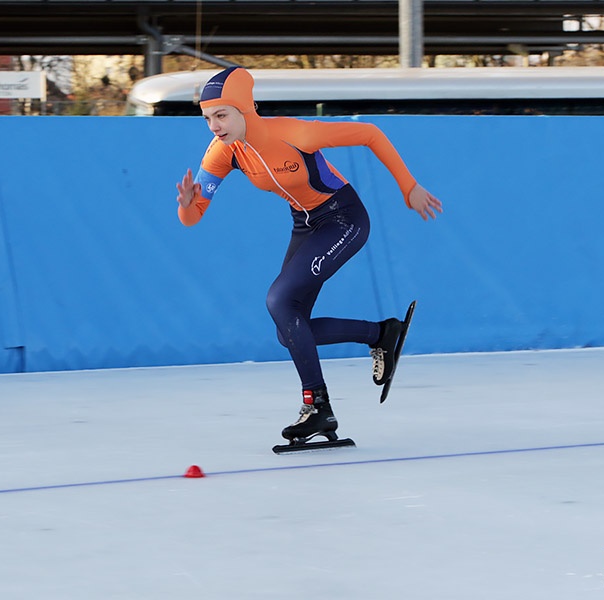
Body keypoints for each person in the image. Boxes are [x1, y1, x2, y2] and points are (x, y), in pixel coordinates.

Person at [175, 67, 442, 444]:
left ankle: (318, 407)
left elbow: (369, 134)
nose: (214, 126)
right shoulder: (222, 153)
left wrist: (409, 186)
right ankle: (382, 333)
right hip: (305, 224)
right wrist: (187, 205)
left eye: (221, 115)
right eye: (207, 118)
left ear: (245, 109)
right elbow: (193, 216)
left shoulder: (297, 133)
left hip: (343, 218)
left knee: (278, 300)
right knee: (289, 331)